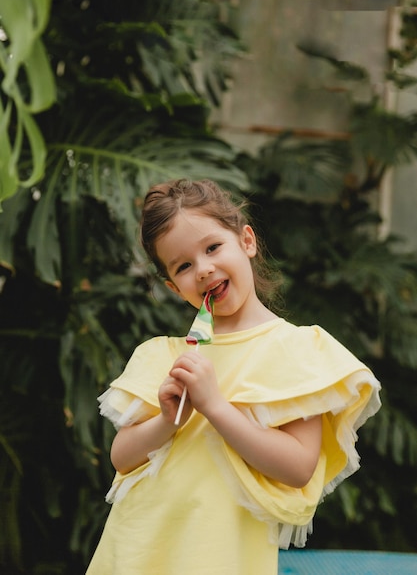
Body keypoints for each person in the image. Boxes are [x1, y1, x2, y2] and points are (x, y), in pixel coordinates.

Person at [86, 178, 381, 575]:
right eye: (184, 266)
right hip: (138, 552)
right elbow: (122, 458)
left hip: (220, 558)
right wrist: (169, 419)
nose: (204, 269)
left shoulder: (295, 350)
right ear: (175, 288)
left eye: (212, 248)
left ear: (246, 241)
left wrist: (215, 406)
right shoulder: (163, 355)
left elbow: (298, 467)